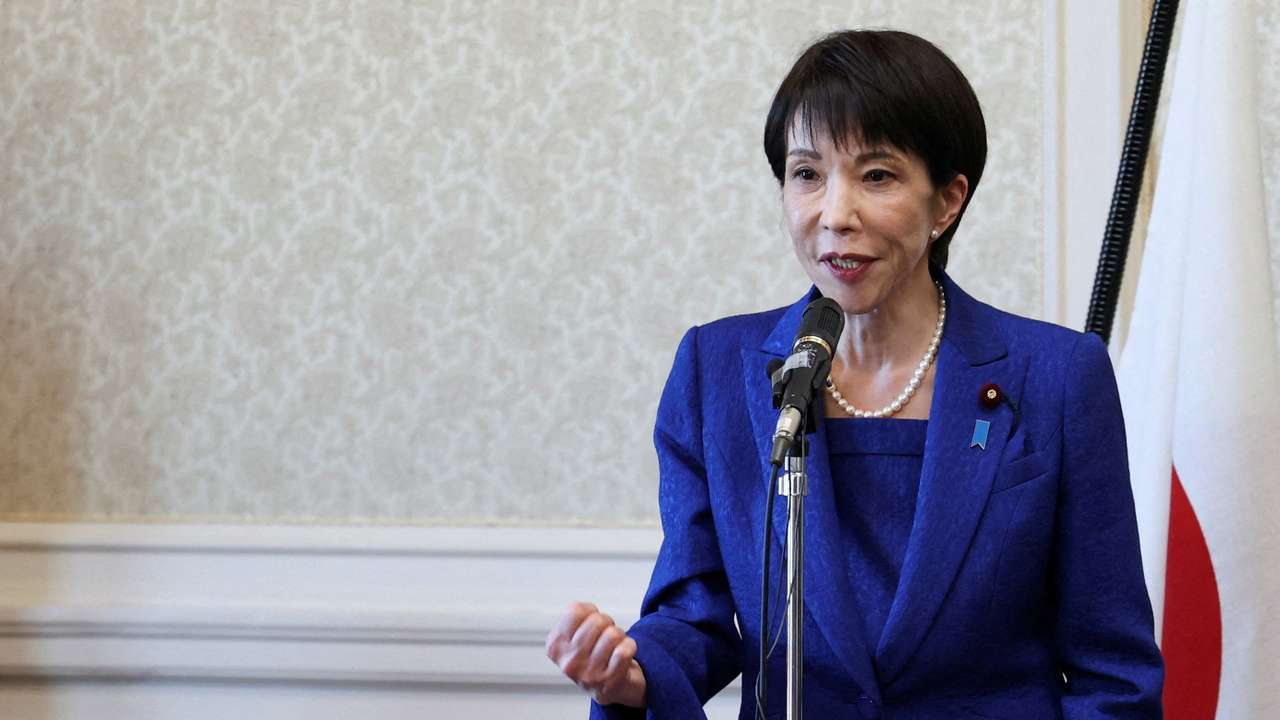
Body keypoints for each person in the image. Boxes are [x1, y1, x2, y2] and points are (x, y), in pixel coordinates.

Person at [545, 29, 1164, 719]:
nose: (835, 215)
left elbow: (1114, 672)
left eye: (877, 176)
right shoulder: (716, 373)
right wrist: (632, 675)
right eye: (807, 174)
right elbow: (697, 615)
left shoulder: (1055, 380)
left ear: (948, 201)